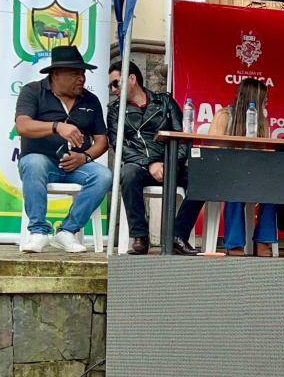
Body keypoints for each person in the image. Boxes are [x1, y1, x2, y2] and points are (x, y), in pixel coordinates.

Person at [15, 45, 112, 253]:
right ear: (56, 74)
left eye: (83, 73)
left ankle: (67, 231)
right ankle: (39, 232)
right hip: (44, 162)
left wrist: (85, 157)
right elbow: (22, 126)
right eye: (76, 73)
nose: (82, 79)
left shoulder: (90, 100)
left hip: (76, 166)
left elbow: (102, 141)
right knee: (32, 162)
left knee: (103, 175)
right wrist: (57, 126)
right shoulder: (33, 91)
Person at [108, 60, 202, 255]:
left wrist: (172, 164)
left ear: (131, 79)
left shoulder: (165, 102)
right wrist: (149, 163)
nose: (113, 89)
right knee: (128, 171)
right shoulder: (115, 110)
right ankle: (140, 236)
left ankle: (178, 235)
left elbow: (184, 137)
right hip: (140, 166)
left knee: (202, 177)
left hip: (170, 163)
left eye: (115, 83)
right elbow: (119, 145)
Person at [209, 78, 277, 256]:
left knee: (273, 187)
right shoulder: (224, 115)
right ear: (253, 99)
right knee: (235, 185)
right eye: (265, 99)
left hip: (252, 173)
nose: (266, 104)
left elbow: (264, 155)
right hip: (226, 174)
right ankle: (234, 243)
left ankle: (263, 240)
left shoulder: (262, 121)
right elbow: (211, 152)